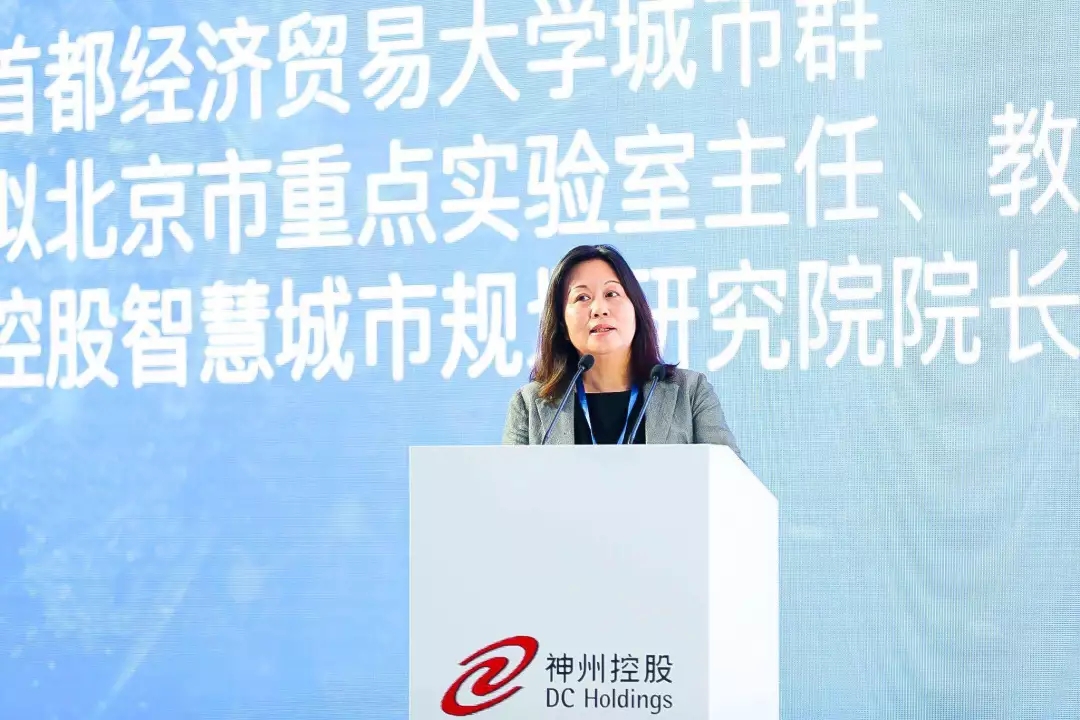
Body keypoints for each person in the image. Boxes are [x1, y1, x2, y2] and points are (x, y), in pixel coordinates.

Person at [502, 244, 743, 459]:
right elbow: (508, 489)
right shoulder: (529, 405)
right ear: (562, 324)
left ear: (636, 309)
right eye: (582, 297)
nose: (599, 309)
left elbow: (731, 481)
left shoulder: (690, 393)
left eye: (611, 294)